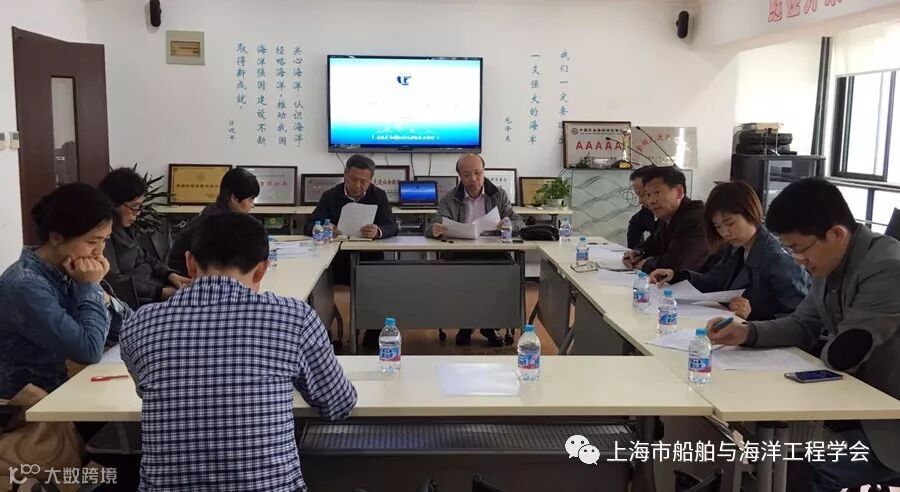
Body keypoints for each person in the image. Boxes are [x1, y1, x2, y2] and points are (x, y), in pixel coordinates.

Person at [120, 212, 357, 491]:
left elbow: (147, 390)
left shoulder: (140, 323)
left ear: (190, 263)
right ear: (261, 269)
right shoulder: (294, 317)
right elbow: (337, 403)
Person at [705, 178, 900, 491]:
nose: (797, 260)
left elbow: (847, 351)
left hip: (888, 428)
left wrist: (816, 350)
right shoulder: (829, 260)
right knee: (770, 457)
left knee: (801, 471)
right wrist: (747, 332)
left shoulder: (888, 267)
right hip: (857, 411)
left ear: (836, 234)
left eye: (799, 249)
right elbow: (803, 323)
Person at [0, 183, 121, 399]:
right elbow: (89, 351)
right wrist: (90, 286)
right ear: (56, 237)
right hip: (30, 406)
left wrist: (101, 296)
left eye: (105, 240)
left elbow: (129, 327)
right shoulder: (25, 284)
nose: (99, 251)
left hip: (67, 391)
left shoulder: (70, 270)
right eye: (92, 241)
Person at [649, 180, 810, 321]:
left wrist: (753, 313)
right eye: (718, 227)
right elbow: (714, 281)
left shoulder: (778, 259)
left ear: (751, 213)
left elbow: (801, 317)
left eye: (730, 223)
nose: (725, 233)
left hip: (765, 338)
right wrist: (676, 275)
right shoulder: (735, 248)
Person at [425, 153, 524, 347]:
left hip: (494, 253)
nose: (474, 179)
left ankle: (490, 326)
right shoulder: (450, 198)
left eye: (478, 173)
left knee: (500, 277)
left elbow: (518, 222)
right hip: (459, 253)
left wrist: (508, 224)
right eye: (467, 175)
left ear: (484, 172)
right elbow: (431, 225)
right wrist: (434, 229)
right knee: (464, 279)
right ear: (459, 176)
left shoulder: (498, 195)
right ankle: (467, 324)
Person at [99, 167, 191, 306]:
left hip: (152, 288)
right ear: (113, 203)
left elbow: (144, 256)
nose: (138, 213)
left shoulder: (122, 227)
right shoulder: (103, 236)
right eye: (135, 207)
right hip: (139, 302)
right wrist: (159, 292)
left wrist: (169, 275)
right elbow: (113, 282)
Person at [166, 167, 260, 276]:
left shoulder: (218, 211)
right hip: (184, 278)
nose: (252, 205)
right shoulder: (216, 222)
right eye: (250, 199)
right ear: (234, 198)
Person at [622, 166, 709, 274]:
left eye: (657, 192)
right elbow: (653, 244)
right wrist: (637, 253)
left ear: (679, 191)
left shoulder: (695, 218)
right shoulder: (666, 218)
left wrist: (644, 264)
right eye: (648, 195)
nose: (651, 200)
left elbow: (677, 265)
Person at [304, 154, 398, 241]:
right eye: (353, 180)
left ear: (370, 180)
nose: (357, 185)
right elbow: (309, 225)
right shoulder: (330, 195)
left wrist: (377, 232)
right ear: (345, 175)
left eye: (363, 181)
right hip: (338, 249)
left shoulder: (378, 195)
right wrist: (323, 230)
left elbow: (392, 226)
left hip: (368, 249)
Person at [627, 165, 657, 249]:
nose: (640, 201)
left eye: (643, 195)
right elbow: (635, 224)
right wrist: (636, 251)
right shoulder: (647, 212)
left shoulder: (685, 219)